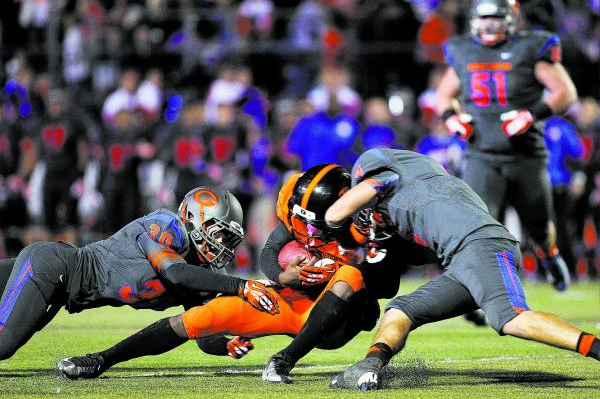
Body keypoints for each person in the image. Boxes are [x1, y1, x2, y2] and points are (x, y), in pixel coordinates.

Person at [58, 164, 424, 380]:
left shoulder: (366, 229)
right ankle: (101, 359)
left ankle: (283, 360)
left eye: (315, 221)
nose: (305, 229)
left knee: (353, 277)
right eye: (301, 217)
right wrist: (283, 279)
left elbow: (387, 283)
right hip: (294, 302)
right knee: (202, 318)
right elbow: (269, 254)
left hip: (339, 317)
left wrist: (367, 255)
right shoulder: (296, 215)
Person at [323, 148, 600, 391]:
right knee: (401, 310)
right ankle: (370, 366)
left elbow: (333, 214)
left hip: (483, 248)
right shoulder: (436, 185)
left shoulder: (388, 178)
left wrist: (337, 230)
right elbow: (427, 254)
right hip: (464, 259)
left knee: (510, 318)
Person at [0, 186, 278, 360]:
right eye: (219, 235)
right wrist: (241, 287)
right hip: (54, 266)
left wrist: (226, 346)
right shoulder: (166, 226)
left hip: (59, 288)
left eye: (229, 241)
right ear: (194, 219)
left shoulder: (205, 271)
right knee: (3, 345)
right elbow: (175, 272)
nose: (222, 246)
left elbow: (202, 330)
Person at [436, 0, 578, 291]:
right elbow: (444, 95)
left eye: (496, 18)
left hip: (526, 154)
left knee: (539, 226)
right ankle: (480, 288)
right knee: (480, 226)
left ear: (510, 20)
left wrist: (531, 115)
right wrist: (452, 118)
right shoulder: (464, 50)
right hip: (482, 155)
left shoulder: (530, 47)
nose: (489, 25)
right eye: (484, 18)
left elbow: (565, 92)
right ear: (474, 19)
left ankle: (549, 256)